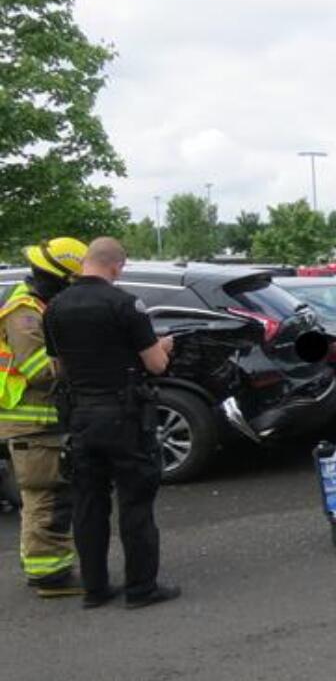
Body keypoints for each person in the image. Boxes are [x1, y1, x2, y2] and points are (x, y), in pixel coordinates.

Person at [43, 237, 181, 609]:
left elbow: (58, 368)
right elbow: (155, 365)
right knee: (135, 503)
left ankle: (95, 588)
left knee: (89, 504)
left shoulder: (54, 307)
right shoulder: (125, 304)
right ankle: (140, 589)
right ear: (116, 267)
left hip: (81, 418)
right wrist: (163, 346)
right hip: (124, 418)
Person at [0, 237, 87, 597]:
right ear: (57, 278)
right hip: (31, 422)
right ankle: (49, 577)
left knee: (47, 495)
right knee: (45, 497)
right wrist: (83, 357)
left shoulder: (32, 304)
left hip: (37, 421)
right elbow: (38, 370)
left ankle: (45, 567)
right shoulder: (24, 312)